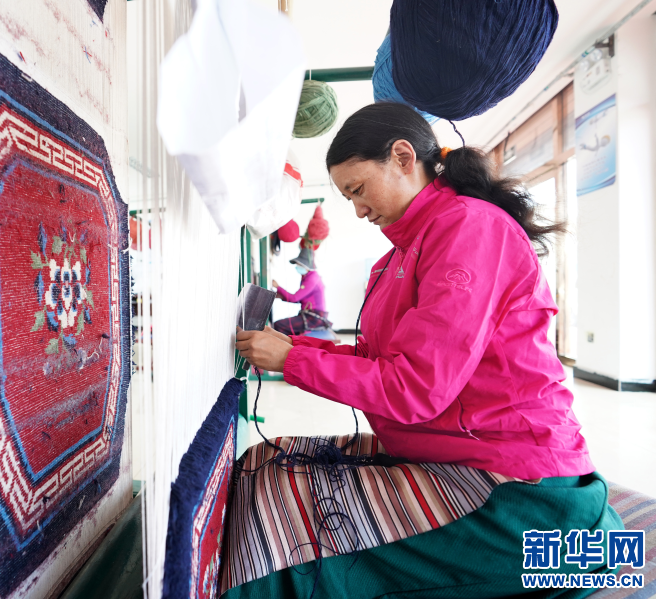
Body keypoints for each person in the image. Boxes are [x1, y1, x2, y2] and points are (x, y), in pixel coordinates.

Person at [229, 103, 622, 599]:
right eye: (349, 198)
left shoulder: (470, 230)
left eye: (358, 189)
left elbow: (415, 388)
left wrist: (292, 361)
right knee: (267, 462)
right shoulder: (398, 255)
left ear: (402, 157)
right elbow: (380, 362)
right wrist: (295, 347)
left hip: (523, 490)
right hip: (449, 449)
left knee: (282, 547)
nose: (359, 210)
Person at [272, 247, 333, 336]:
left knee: (278, 325)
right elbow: (299, 299)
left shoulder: (312, 279)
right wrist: (282, 296)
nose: (297, 266)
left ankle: (287, 344)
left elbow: (294, 298)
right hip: (310, 315)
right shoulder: (308, 277)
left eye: (299, 264)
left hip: (314, 318)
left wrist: (278, 287)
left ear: (305, 265)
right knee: (285, 326)